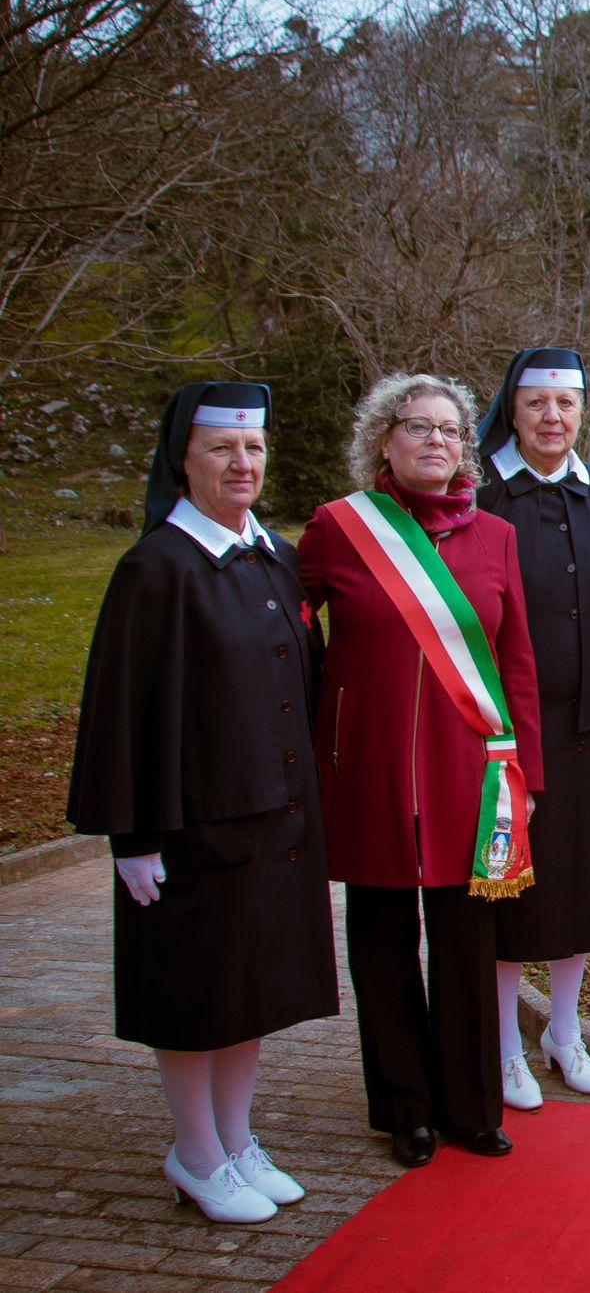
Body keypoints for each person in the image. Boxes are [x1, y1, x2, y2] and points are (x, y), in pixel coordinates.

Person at [67, 382, 337, 1224]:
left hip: (273, 815)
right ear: (182, 456)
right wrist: (132, 835)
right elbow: (120, 710)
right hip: (190, 825)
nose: (242, 464)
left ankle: (234, 1138)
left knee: (248, 989)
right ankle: (193, 1152)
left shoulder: (276, 556)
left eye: (254, 449)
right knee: (193, 991)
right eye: (223, 449)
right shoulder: (155, 569)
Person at [299, 374, 545, 1168]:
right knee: (380, 938)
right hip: (369, 771)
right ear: (384, 440)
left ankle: (470, 1105)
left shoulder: (497, 537)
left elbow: (517, 663)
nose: (435, 441)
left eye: (449, 430)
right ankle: (404, 1107)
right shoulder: (339, 530)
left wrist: (527, 777)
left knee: (467, 941)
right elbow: (289, 639)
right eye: (417, 428)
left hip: (469, 778)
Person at [475, 348, 590, 1111]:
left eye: (566, 404)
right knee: (509, 892)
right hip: (504, 742)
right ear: (512, 407)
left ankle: (563, 1031)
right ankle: (506, 1044)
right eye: (536, 403)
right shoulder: (479, 497)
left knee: (579, 887)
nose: (552, 418)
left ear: (582, 410)